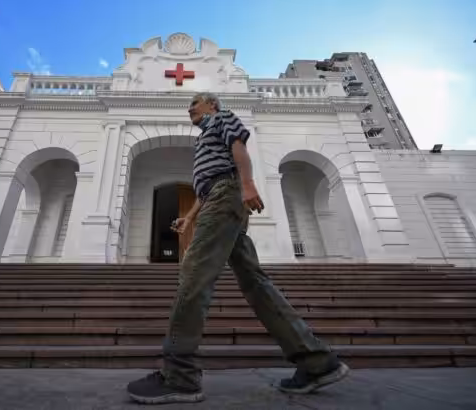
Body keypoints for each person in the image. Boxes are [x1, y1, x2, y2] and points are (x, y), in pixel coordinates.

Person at [127, 92, 349, 405]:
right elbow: (204, 190)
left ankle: (180, 376)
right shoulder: (205, 138)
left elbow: (239, 149)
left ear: (211, 105)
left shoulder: (222, 117)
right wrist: (189, 218)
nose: (189, 107)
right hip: (218, 200)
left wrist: (247, 185)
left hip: (227, 195)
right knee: (255, 283)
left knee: (193, 278)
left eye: (195, 103)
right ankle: (317, 363)